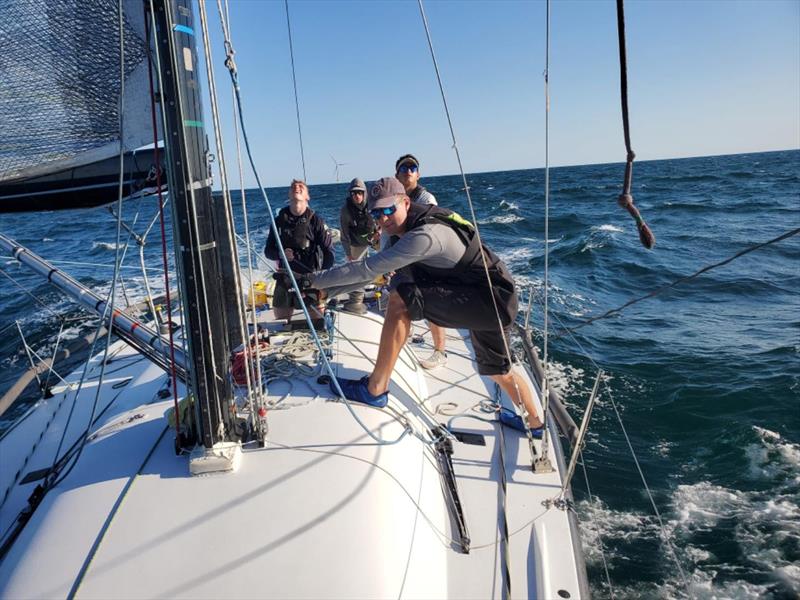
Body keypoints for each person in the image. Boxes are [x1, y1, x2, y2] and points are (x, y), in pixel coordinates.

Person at [305, 176, 543, 434]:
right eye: (376, 212)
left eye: (388, 210)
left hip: (490, 300)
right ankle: (536, 422)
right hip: (484, 296)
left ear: (406, 202)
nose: (382, 219)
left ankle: (375, 389)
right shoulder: (406, 229)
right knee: (498, 372)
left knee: (401, 300)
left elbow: (367, 269)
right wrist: (326, 291)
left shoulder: (424, 235)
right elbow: (376, 275)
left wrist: (310, 281)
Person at [394, 154, 448, 370]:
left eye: (412, 167)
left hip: (427, 260)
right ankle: (404, 340)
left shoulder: (426, 199)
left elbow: (431, 230)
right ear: (396, 174)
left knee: (431, 304)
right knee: (401, 299)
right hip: (403, 258)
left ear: (418, 174)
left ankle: (440, 351)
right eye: (403, 168)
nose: (408, 170)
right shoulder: (395, 199)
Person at [264, 179, 334, 320]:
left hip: (311, 278)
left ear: (307, 196)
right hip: (285, 277)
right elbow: (268, 251)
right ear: (289, 194)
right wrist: (280, 254)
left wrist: (322, 279)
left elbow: (329, 253)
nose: (297, 187)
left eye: (301, 186)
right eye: (293, 187)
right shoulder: (278, 222)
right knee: (281, 323)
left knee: (317, 323)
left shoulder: (316, 222)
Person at [339, 178, 379, 314]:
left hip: (374, 237)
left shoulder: (373, 204)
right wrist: (348, 253)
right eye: (354, 193)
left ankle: (390, 290)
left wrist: (379, 233)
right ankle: (355, 302)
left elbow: (381, 219)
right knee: (355, 271)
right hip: (356, 243)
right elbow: (344, 235)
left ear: (365, 193)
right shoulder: (346, 211)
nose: (357, 196)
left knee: (391, 257)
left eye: (360, 192)